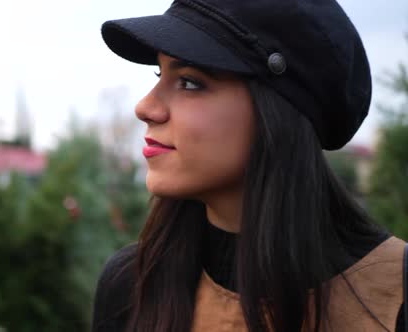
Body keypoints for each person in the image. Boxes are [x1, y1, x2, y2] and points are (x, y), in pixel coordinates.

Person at [91, 0, 408, 331]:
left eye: (189, 82)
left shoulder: (395, 294)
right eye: (159, 73)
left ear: (276, 112)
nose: (145, 107)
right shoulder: (132, 284)